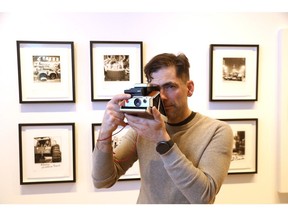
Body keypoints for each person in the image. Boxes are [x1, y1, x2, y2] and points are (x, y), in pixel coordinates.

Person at [92, 53, 233, 204]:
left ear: (189, 88)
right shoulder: (144, 128)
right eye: (155, 89)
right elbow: (102, 180)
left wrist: (162, 139)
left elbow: (204, 196)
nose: (163, 96)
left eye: (170, 86)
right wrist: (105, 133)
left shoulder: (217, 131)